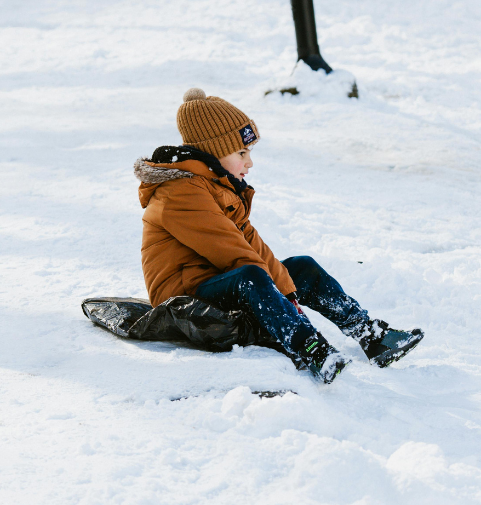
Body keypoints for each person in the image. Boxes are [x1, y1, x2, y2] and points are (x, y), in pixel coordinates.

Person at [134, 88, 424, 384]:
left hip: (218, 279)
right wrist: (287, 300)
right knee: (251, 275)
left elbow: (253, 245)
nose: (249, 163)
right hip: (184, 295)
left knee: (301, 267)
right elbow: (233, 252)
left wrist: (286, 287)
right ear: (214, 152)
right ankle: (311, 349)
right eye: (242, 153)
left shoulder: (216, 187)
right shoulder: (181, 192)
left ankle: (369, 334)